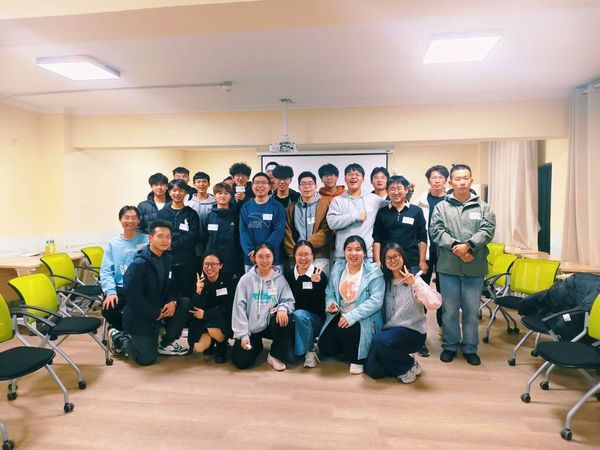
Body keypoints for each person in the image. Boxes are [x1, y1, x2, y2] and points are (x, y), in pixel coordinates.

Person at [430, 163, 496, 366]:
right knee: (449, 310)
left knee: (471, 311)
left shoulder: (483, 207)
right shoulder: (441, 207)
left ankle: (470, 347)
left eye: (465, 178)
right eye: (457, 179)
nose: (462, 182)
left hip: (474, 268)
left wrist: (468, 246)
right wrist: (456, 247)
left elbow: (487, 230)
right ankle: (450, 346)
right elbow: (436, 231)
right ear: (451, 182)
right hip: (448, 268)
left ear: (471, 180)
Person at [108, 220, 192, 366]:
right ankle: (118, 338)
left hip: (159, 310)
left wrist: (173, 301)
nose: (165, 240)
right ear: (150, 238)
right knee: (146, 359)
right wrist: (154, 313)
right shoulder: (139, 264)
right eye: (160, 236)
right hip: (140, 315)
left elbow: (172, 286)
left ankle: (165, 343)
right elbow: (132, 297)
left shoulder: (167, 259)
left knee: (184, 303)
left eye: (168, 236)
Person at [365, 243, 441, 383]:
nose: (393, 260)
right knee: (373, 370)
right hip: (390, 333)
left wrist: (414, 284)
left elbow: (435, 303)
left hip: (413, 332)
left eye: (396, 256)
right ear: (384, 261)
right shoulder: (384, 281)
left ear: (403, 257)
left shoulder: (414, 279)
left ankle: (409, 365)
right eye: (388, 258)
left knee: (379, 341)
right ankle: (404, 362)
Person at [318, 235, 385, 374]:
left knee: (346, 329)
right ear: (344, 252)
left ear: (364, 253)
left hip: (363, 317)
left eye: (358, 249)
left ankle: (357, 358)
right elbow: (330, 292)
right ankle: (348, 348)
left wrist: (352, 316)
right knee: (325, 348)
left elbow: (376, 301)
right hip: (341, 314)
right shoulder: (338, 267)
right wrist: (331, 304)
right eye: (349, 249)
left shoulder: (374, 271)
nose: (353, 253)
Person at [231, 243, 295, 371]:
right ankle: (256, 345)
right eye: (260, 256)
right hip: (251, 329)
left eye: (268, 256)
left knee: (286, 319)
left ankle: (274, 355)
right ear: (254, 258)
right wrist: (243, 335)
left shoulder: (280, 279)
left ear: (273, 257)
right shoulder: (245, 280)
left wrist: (283, 309)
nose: (264, 260)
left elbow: (288, 300)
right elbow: (239, 309)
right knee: (241, 362)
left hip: (270, 324)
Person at [100, 206, 148, 338]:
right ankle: (122, 332)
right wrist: (110, 292)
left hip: (143, 287)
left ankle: (137, 334)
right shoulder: (113, 244)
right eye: (127, 218)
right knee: (109, 308)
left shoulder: (147, 240)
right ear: (120, 220)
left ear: (139, 220)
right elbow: (106, 271)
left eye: (134, 218)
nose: (130, 221)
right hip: (121, 287)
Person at [326, 163, 386, 262]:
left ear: (363, 179)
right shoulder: (337, 200)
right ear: (345, 179)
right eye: (350, 174)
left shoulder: (374, 199)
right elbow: (332, 223)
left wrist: (408, 194)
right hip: (343, 257)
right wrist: (355, 216)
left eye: (357, 174)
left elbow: (393, 205)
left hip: (367, 257)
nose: (353, 177)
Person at [415, 164, 449, 331]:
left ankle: (444, 326)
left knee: (444, 291)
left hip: (446, 252)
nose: (437, 181)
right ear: (428, 180)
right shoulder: (420, 201)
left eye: (440, 177)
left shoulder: (451, 200)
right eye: (433, 177)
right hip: (425, 252)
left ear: (446, 180)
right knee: (422, 290)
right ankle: (419, 329)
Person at [372, 175, 428, 274]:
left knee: (411, 284)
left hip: (411, 262)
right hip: (388, 262)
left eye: (399, 188)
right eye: (392, 189)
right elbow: (377, 239)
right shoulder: (382, 212)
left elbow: (422, 238)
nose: (396, 192)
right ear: (387, 191)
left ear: (406, 190)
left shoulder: (416, 211)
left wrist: (422, 261)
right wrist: (377, 261)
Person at [285, 241, 327, 368]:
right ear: (294, 256)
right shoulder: (289, 275)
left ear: (313, 255)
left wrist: (316, 285)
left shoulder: (319, 274)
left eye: (307, 254)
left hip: (315, 321)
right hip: (294, 320)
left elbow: (322, 306)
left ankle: (310, 351)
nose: (303, 258)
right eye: (300, 254)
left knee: (300, 314)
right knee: (290, 358)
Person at [188, 253, 237, 363]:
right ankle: (210, 342)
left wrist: (206, 315)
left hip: (221, 320)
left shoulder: (229, 281)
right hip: (204, 321)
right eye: (206, 264)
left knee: (213, 328)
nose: (209, 267)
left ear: (221, 265)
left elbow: (228, 308)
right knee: (199, 347)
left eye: (213, 264)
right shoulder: (199, 281)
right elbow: (193, 309)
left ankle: (222, 345)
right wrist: (198, 292)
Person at [283, 170, 332, 275]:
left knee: (320, 284)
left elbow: (327, 231)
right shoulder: (291, 208)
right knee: (298, 284)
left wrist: (306, 247)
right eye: (303, 184)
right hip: (297, 258)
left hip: (319, 257)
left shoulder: (326, 205)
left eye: (310, 184)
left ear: (316, 186)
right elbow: (286, 232)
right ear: (299, 187)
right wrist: (296, 252)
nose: (307, 187)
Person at [158, 179, 199, 299]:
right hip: (167, 259)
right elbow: (158, 233)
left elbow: (193, 235)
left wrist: (172, 244)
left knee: (187, 293)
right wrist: (167, 243)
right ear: (169, 192)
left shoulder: (191, 213)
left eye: (181, 190)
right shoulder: (162, 214)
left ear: (185, 192)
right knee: (168, 293)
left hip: (187, 260)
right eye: (174, 190)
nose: (177, 193)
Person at [239, 172, 286, 273]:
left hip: (272, 257)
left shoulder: (277, 207)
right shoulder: (246, 206)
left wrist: (263, 252)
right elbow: (243, 232)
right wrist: (251, 251)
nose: (260, 185)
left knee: (274, 283)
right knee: (251, 283)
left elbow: (278, 231)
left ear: (269, 187)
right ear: (252, 186)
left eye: (264, 182)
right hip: (251, 257)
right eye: (257, 182)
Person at [201, 183, 243, 278]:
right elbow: (204, 238)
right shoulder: (209, 216)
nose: (222, 196)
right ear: (215, 196)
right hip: (212, 261)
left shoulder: (236, 215)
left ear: (230, 196)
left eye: (226, 193)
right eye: (219, 193)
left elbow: (239, 238)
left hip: (232, 259)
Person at [186, 171, 216, 263]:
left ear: (209, 184)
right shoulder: (188, 203)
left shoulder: (215, 202)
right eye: (198, 182)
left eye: (204, 181)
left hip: (211, 241)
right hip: (193, 243)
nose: (201, 184)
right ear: (194, 184)